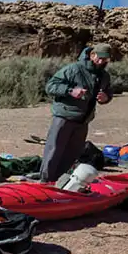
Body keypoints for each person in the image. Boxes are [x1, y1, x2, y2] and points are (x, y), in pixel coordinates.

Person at [40, 44, 114, 182]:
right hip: (64, 117)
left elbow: (109, 92)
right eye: (100, 57)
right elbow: (51, 86)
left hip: (83, 120)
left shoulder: (104, 76)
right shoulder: (73, 69)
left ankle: (61, 181)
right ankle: (45, 182)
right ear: (92, 55)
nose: (102, 61)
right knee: (54, 151)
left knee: (72, 154)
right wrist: (70, 91)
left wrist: (106, 98)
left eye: (105, 59)